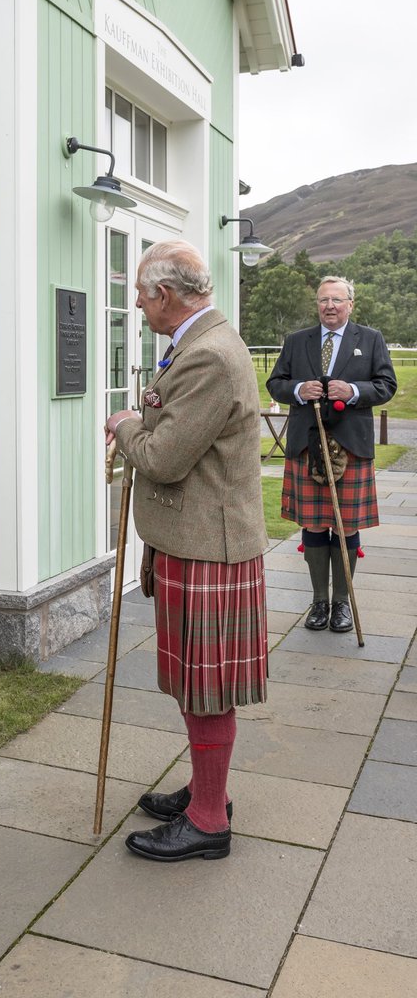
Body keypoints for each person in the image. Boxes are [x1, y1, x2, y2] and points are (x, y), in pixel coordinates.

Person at [106, 240, 267, 863]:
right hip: (194, 540)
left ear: (167, 296)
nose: (142, 310)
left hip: (208, 549)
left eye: (143, 298)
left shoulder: (210, 357)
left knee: (206, 688)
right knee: (195, 683)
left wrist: (124, 425)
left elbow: (165, 458)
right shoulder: (202, 344)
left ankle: (208, 820)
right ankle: (208, 790)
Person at [267, 276, 396, 633]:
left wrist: (353, 389)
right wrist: (297, 389)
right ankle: (318, 602)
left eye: (337, 300)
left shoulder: (369, 339)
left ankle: (342, 603)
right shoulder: (297, 341)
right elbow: (275, 383)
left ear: (350, 304)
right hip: (307, 444)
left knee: (346, 525)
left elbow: (387, 385)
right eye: (324, 300)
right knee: (314, 523)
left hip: (350, 446)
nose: (329, 306)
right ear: (317, 304)